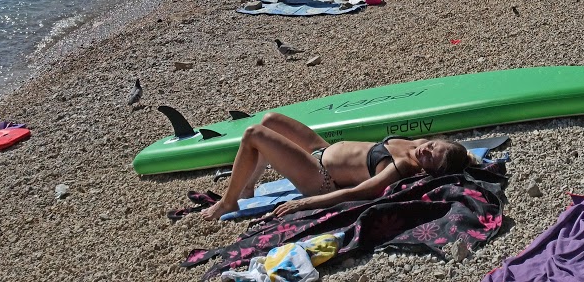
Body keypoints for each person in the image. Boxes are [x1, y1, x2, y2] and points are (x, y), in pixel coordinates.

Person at [201, 114, 471, 220]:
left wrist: (305, 204)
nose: (426, 151)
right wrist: (470, 159)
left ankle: (229, 201)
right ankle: (247, 188)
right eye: (434, 147)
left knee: (253, 134)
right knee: (270, 120)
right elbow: (462, 155)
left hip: (321, 176)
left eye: (429, 159)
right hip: (322, 149)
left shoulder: (402, 166)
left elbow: (361, 192)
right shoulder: (421, 143)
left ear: (426, 171)